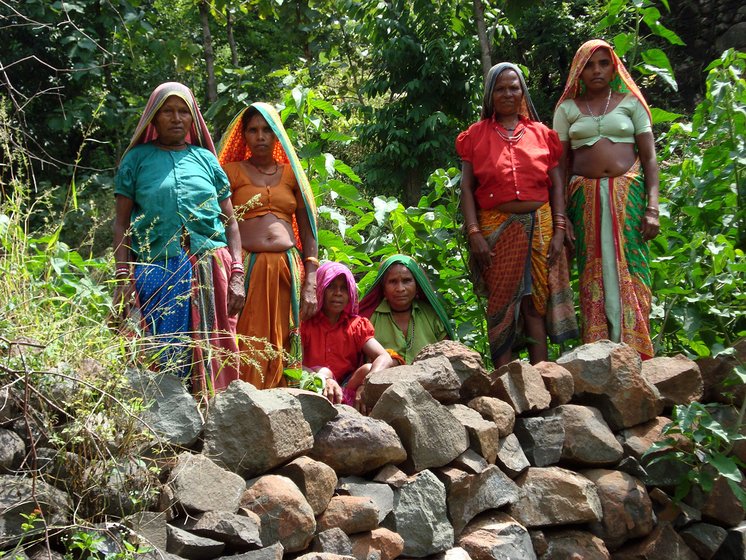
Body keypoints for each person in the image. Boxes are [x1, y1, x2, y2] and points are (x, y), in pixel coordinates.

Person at [111, 82, 245, 395]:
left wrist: (237, 272)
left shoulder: (206, 160)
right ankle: (165, 427)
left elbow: (231, 222)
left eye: (183, 111)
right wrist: (122, 278)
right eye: (168, 111)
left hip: (212, 268)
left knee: (217, 350)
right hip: (158, 268)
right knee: (161, 348)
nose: (176, 118)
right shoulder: (136, 160)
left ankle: (217, 416)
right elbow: (120, 225)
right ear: (153, 119)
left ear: (193, 118)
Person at [456, 62, 578, 368]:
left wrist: (560, 228)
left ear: (523, 91)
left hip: (541, 224)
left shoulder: (542, 135)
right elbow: (467, 187)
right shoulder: (475, 136)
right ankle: (503, 380)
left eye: (514, 87)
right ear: (489, 94)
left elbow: (557, 184)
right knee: (501, 303)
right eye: (500, 88)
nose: (508, 93)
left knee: (535, 303)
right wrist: (474, 234)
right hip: (494, 228)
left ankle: (543, 377)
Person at [553, 39, 660, 359]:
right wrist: (562, 217)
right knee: (591, 269)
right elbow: (557, 168)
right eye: (589, 65)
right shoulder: (567, 110)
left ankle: (637, 351)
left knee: (634, 268)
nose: (596, 70)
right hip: (584, 201)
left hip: (630, 198)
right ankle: (597, 353)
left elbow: (650, 159)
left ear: (614, 68)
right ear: (578, 71)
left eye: (603, 63)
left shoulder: (631, 103)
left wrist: (653, 208)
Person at [217, 102, 319, 389]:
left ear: (277, 136)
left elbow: (308, 230)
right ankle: (245, 398)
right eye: (253, 130)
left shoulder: (291, 175)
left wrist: (311, 278)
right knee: (248, 334)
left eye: (266, 130)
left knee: (286, 334)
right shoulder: (230, 172)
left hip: (288, 267)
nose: (260, 136)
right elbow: (218, 221)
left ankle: (285, 400)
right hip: (248, 268)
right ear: (244, 136)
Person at [302, 261, 393, 408]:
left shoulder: (357, 325)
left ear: (350, 293)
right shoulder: (306, 324)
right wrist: (324, 379)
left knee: (368, 368)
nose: (338, 293)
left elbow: (384, 357)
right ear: (319, 288)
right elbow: (294, 364)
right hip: (314, 385)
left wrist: (367, 385)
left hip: (348, 388)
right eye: (331, 286)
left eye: (343, 288)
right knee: (325, 372)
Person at [359, 254, 455, 364]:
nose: (400, 289)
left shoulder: (432, 315)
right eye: (393, 281)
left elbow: (449, 354)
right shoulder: (369, 319)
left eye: (406, 280)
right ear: (383, 288)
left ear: (417, 285)